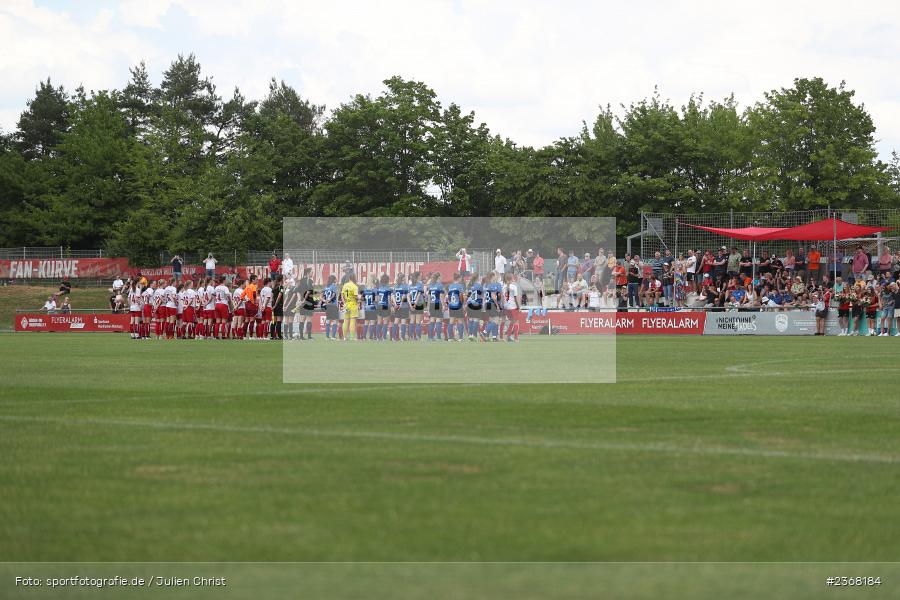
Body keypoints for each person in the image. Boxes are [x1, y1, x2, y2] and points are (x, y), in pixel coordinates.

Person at [340, 273, 360, 341]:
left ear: (349, 278)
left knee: (345, 321)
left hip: (346, 304)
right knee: (352, 321)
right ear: (354, 278)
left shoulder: (345, 285)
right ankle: (352, 337)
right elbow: (356, 296)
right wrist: (359, 299)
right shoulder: (355, 286)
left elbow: (342, 295)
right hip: (353, 304)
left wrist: (344, 303)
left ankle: (345, 337)